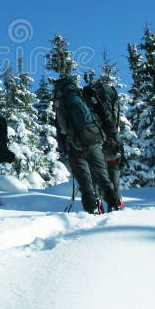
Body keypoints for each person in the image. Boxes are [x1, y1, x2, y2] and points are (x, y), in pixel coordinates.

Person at [53, 76, 119, 214]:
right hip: (95, 141)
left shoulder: (60, 104)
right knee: (103, 178)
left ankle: (92, 210)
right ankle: (115, 205)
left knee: (85, 184)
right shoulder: (83, 96)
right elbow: (99, 114)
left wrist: (64, 148)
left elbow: (61, 129)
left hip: (76, 147)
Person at [82, 82, 125, 211]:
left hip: (96, 149)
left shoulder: (90, 106)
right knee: (114, 182)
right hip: (113, 148)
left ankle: (97, 207)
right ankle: (116, 205)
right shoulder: (112, 105)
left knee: (96, 180)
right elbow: (115, 127)